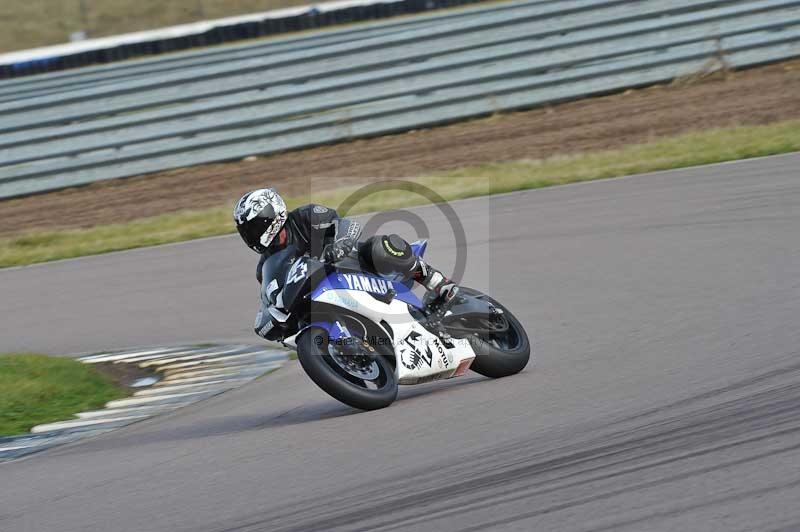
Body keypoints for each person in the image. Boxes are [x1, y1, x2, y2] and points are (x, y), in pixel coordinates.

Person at [233, 188, 458, 340]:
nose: (252, 236)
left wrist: (339, 244)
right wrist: (271, 322)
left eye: (255, 227)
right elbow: (268, 301)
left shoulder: (304, 217)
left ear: (272, 215)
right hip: (328, 299)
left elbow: (346, 225)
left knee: (380, 246)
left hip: (356, 267)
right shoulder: (266, 267)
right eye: (247, 232)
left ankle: (437, 282)